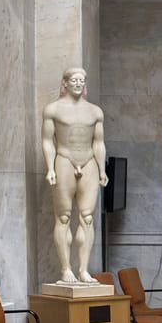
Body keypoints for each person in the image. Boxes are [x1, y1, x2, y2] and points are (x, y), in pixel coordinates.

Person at [42, 67, 108, 284]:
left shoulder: (95, 112)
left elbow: (98, 142)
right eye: (74, 80)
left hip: (88, 162)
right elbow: (47, 141)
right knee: (63, 217)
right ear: (66, 83)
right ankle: (65, 269)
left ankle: (83, 270)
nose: (78, 84)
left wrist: (102, 169)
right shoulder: (53, 109)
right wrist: (50, 168)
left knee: (87, 218)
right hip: (64, 161)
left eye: (82, 80)